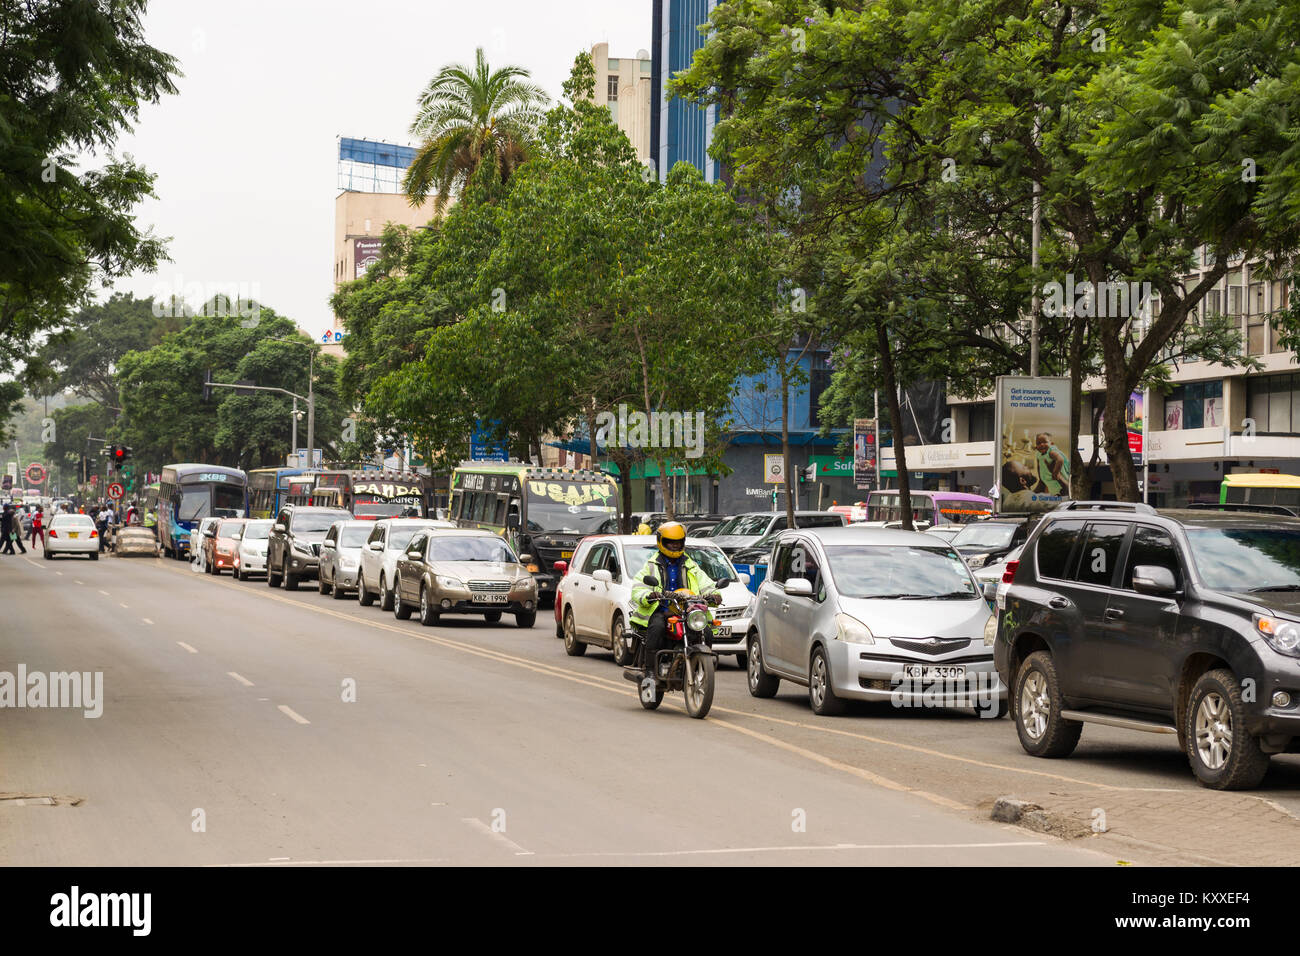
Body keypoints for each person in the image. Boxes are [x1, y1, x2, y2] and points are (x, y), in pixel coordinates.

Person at [628, 521, 721, 691]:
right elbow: (638, 587)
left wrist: (715, 595)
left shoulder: (690, 564)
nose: (675, 545)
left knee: (706, 631)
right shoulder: (652, 564)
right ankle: (650, 672)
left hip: (686, 610)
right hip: (662, 610)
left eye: (678, 542)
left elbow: (706, 583)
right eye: (671, 542)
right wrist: (649, 595)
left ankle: (701, 667)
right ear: (661, 542)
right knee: (656, 628)